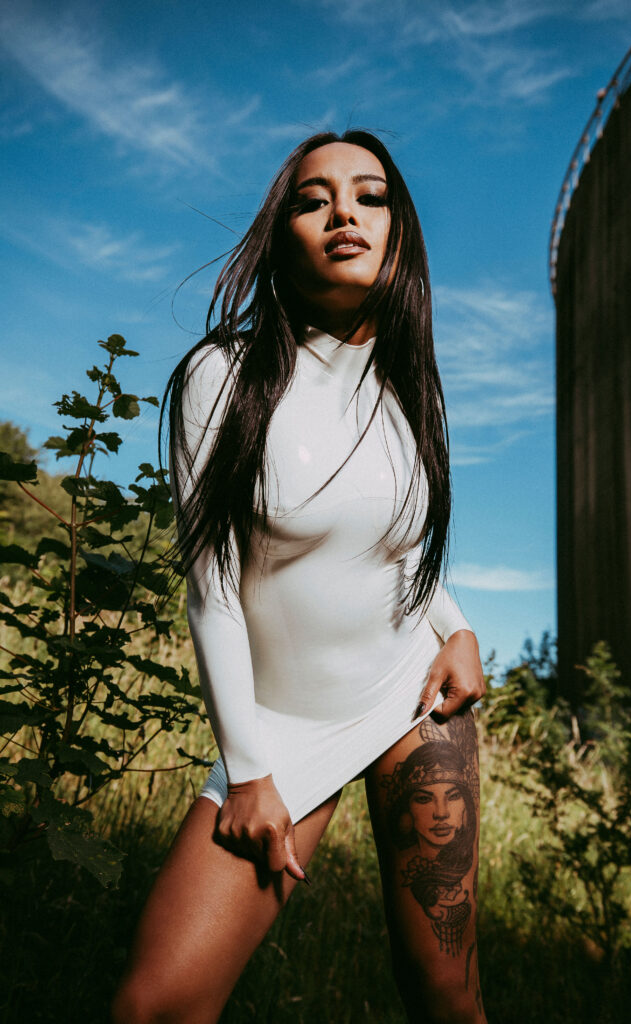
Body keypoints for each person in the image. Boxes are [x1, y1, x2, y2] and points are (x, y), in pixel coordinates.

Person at [111, 129, 488, 1024]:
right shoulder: (221, 376)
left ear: (398, 231)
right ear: (282, 235)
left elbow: (394, 546)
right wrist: (248, 773)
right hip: (281, 732)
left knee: (444, 993)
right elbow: (211, 588)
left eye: (369, 196)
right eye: (313, 200)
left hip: (411, 699)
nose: (343, 213)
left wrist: (457, 627)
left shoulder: (405, 391)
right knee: (157, 1006)